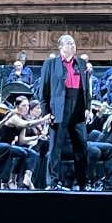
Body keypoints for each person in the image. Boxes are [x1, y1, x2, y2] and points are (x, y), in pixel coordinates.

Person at [40, 34, 93, 190]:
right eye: (69, 43)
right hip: (59, 109)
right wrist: (46, 112)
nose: (73, 46)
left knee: (82, 147)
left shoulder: (81, 63)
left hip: (77, 106)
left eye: (74, 43)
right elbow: (44, 90)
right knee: (55, 147)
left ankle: (82, 182)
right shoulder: (50, 64)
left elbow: (87, 91)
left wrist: (88, 109)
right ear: (61, 47)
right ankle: (53, 182)